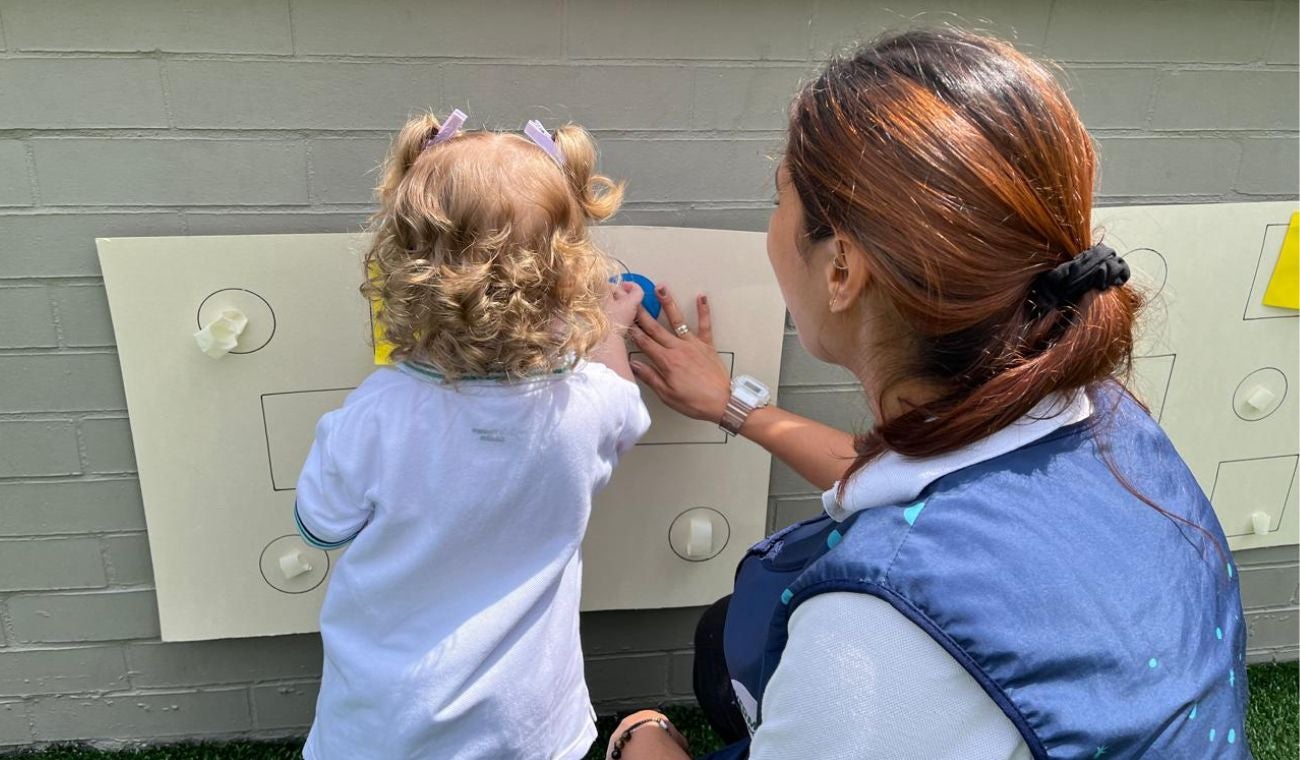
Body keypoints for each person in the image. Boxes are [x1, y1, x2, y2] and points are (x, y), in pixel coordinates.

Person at [609, 29, 1250, 760]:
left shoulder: (873, 643)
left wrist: (641, 735)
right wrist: (735, 407)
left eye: (779, 197)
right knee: (724, 633)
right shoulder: (1107, 419)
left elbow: (904, 598)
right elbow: (930, 486)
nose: (771, 225)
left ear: (841, 270)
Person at [293, 110, 651, 760]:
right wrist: (614, 330)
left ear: (402, 267)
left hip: (382, 726)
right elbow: (625, 404)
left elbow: (321, 526)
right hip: (531, 724)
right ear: (568, 273)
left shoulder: (375, 417)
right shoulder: (590, 403)